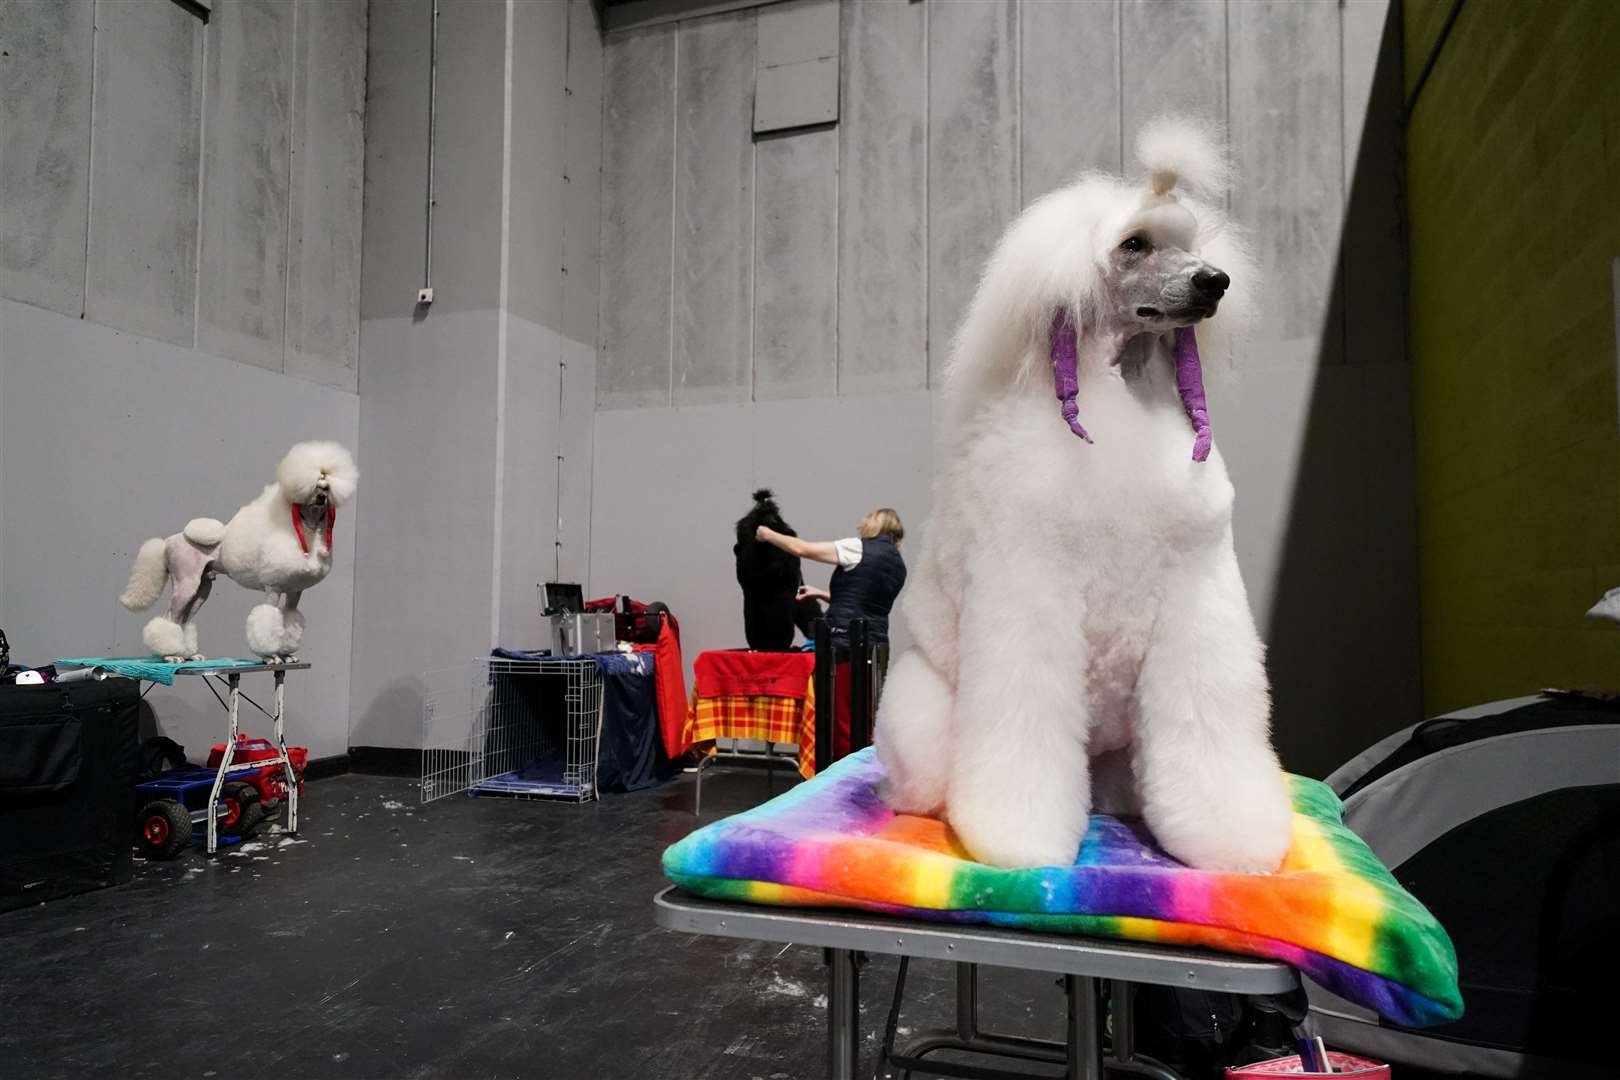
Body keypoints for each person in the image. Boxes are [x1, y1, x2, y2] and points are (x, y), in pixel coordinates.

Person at [755, 508, 907, 644]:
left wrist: (767, 534)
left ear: (874, 526)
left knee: (826, 675)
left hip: (843, 638)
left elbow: (803, 549)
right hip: (875, 642)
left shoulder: (858, 548)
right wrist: (820, 594)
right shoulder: (900, 567)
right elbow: (863, 604)